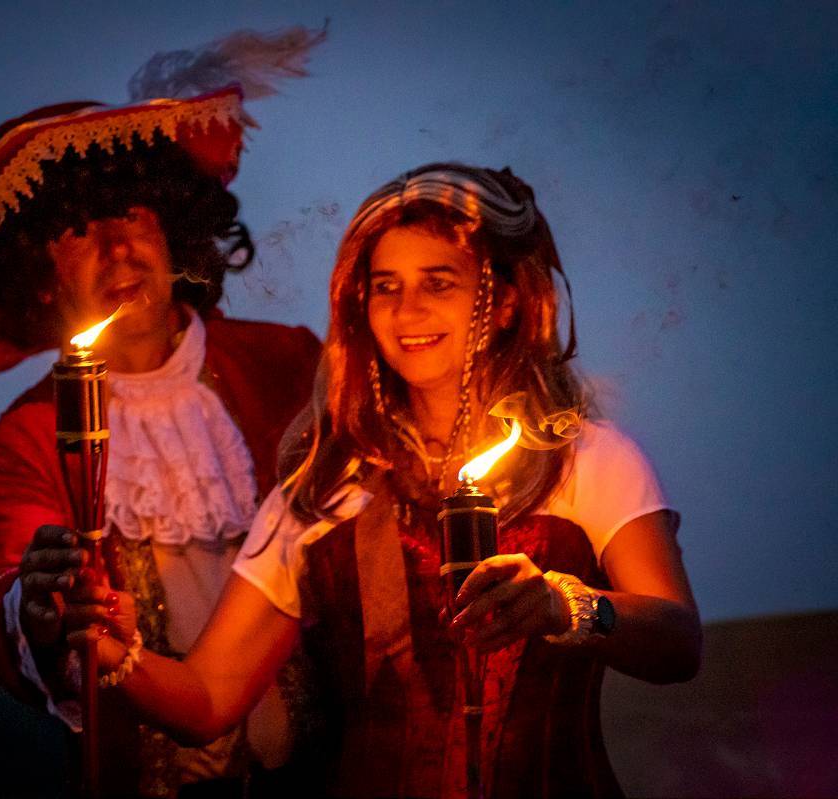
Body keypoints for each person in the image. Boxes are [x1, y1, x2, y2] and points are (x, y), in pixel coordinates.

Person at [65, 163, 703, 798]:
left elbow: (678, 644)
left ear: (506, 301)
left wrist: (567, 606)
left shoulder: (586, 458)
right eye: (385, 287)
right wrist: (114, 652)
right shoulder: (324, 487)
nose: (407, 311)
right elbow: (207, 700)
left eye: (438, 283)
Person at [0, 29, 326, 799]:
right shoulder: (23, 439)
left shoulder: (289, 362)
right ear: (39, 276)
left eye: (133, 212)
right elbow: (9, 590)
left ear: (173, 227)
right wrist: (40, 608)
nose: (118, 246)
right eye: (78, 230)